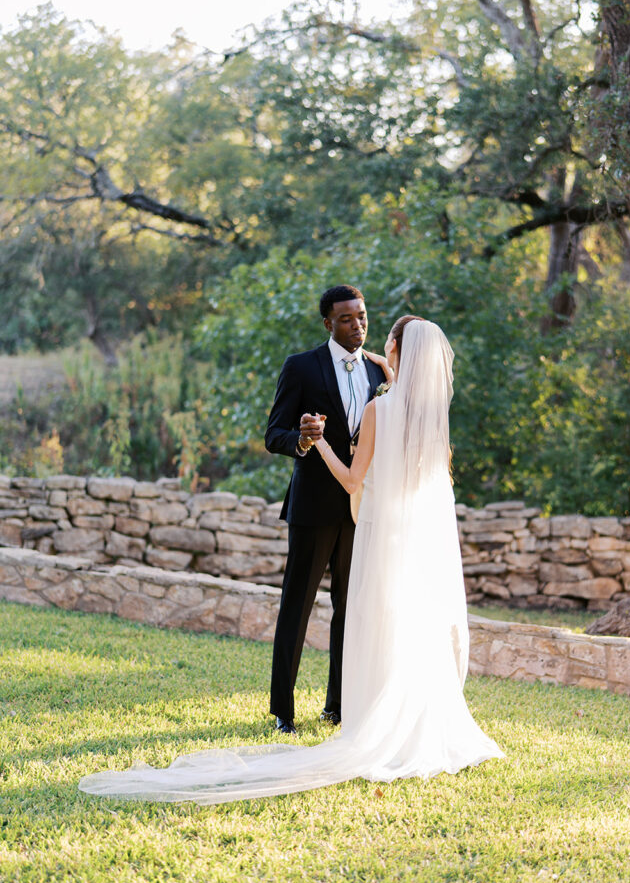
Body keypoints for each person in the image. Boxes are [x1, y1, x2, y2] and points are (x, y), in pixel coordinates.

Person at [78, 316, 502, 803]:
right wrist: (391, 366)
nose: (367, 332)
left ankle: (365, 721)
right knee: (403, 625)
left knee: (368, 620)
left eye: (383, 337)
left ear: (400, 352)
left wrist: (319, 440)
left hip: (374, 531)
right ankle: (408, 724)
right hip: (409, 542)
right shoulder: (429, 415)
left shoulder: (382, 410)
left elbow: (350, 481)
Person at [263, 284, 388, 734]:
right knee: (296, 608)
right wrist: (300, 437)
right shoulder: (301, 367)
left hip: (361, 510)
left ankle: (338, 705)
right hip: (312, 509)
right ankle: (283, 711)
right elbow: (272, 434)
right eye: (347, 319)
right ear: (328, 324)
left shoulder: (379, 372)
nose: (357, 326)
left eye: (362, 317)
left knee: (349, 610)